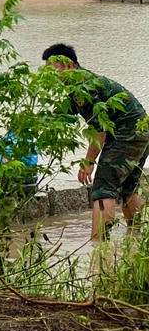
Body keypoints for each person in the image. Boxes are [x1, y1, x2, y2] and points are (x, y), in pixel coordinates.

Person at [43, 43, 148, 241]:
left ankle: (99, 245)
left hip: (126, 133)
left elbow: (100, 129)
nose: (49, 75)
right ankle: (138, 238)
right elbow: (68, 110)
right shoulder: (80, 83)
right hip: (142, 129)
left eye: (52, 69)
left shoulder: (84, 87)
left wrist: (88, 162)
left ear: (69, 65)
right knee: (129, 186)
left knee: (103, 188)